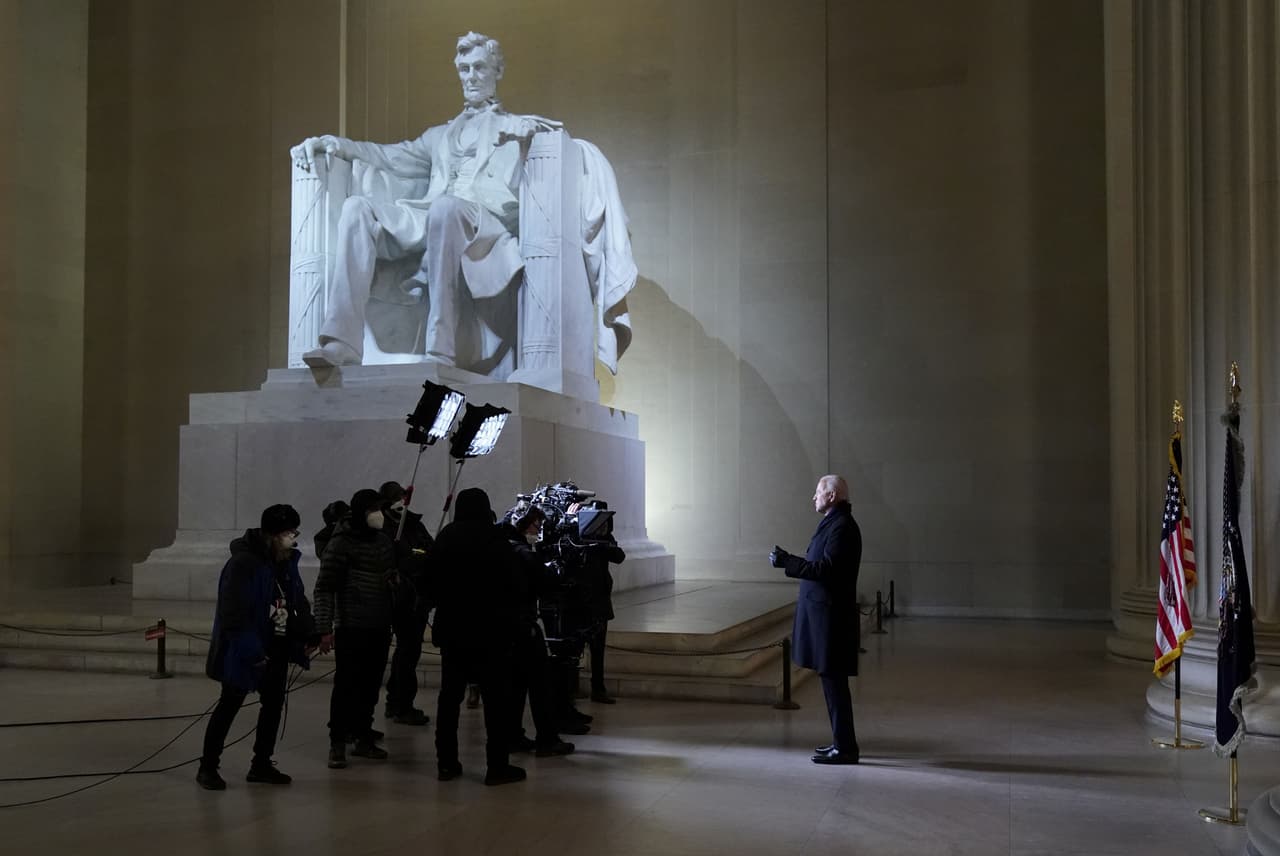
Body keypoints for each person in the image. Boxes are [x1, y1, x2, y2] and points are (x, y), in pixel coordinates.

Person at [292, 32, 559, 369]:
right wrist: (337, 144)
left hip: (485, 226)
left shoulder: (519, 126)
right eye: (464, 69)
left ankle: (441, 348)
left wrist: (527, 141)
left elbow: (544, 171)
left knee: (446, 209)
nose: (471, 76)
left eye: (479, 67)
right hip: (433, 215)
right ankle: (342, 342)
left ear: (498, 71)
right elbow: (388, 156)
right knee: (357, 208)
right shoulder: (439, 136)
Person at [198, 504, 322, 790]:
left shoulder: (285, 561)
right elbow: (232, 613)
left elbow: (296, 600)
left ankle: (262, 764)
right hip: (246, 649)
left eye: (294, 532)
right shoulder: (243, 564)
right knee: (229, 705)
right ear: (271, 535)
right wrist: (252, 651)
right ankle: (208, 766)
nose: (293, 538)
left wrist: (308, 632)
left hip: (276, 644)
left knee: (274, 704)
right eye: (289, 533)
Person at [431, 487, 527, 786]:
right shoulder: (495, 539)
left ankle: (446, 763)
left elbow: (430, 582)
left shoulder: (446, 537)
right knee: (496, 701)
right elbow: (514, 584)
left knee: (449, 700)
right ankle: (497, 766)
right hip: (491, 632)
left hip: (453, 630)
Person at [770, 475, 862, 765]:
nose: (814, 497)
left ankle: (845, 748)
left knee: (835, 684)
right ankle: (841, 742)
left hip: (831, 619)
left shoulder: (842, 526)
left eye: (818, 492)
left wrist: (788, 562)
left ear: (832, 496)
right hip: (826, 617)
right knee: (832, 683)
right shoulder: (835, 523)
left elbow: (827, 569)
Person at [314, 488, 396, 769]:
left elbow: (390, 576)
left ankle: (363, 735)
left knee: (371, 686)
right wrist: (324, 628)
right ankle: (337, 742)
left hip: (380, 623)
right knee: (347, 686)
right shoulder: (341, 543)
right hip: (352, 625)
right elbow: (325, 588)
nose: (378, 514)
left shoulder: (383, 541)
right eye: (373, 509)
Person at [501, 503, 575, 757]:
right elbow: (547, 583)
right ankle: (547, 739)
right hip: (524, 625)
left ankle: (513, 736)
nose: (539, 529)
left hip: (506, 626)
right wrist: (554, 569)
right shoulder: (523, 553)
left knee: (516, 685)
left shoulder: (502, 547)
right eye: (537, 524)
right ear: (523, 524)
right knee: (540, 685)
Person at [379, 480, 434, 725]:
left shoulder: (412, 524)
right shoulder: (384, 528)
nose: (401, 501)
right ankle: (401, 704)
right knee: (407, 652)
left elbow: (429, 549)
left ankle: (397, 701)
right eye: (396, 497)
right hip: (399, 598)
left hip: (417, 595)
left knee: (408, 652)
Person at [581, 501, 625, 704]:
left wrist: (603, 541)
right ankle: (572, 687)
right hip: (581, 598)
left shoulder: (606, 539)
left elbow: (619, 556)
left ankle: (598, 688)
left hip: (599, 599)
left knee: (598, 648)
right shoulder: (577, 537)